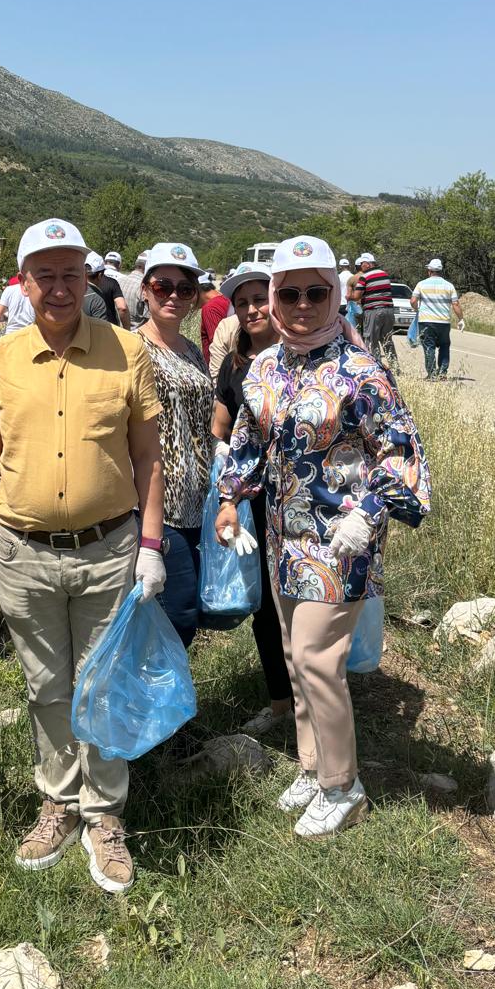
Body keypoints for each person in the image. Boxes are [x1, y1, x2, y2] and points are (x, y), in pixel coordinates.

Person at [0, 218, 165, 893]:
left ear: (87, 278)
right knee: (47, 688)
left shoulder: (127, 351)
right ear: (23, 282)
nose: (58, 287)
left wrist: (152, 544)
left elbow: (147, 457)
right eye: (44, 275)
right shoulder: (0, 359)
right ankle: (59, 801)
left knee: (104, 685)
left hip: (109, 549)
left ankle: (105, 815)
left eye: (69, 274)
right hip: (25, 552)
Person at [215, 236, 430, 839]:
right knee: (293, 652)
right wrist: (230, 501)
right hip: (283, 537)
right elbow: (247, 444)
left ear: (336, 296)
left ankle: (344, 785)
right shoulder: (263, 368)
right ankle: (311, 767)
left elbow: (402, 451)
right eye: (290, 293)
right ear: (275, 299)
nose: (302, 303)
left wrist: (368, 513)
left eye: (316, 292)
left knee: (315, 656)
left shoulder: (361, 371)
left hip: (342, 540)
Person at [210, 266, 292, 736]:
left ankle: (318, 693)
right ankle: (281, 701)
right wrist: (225, 454)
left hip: (305, 503)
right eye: (242, 304)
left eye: (259, 299)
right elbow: (220, 425)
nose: (252, 310)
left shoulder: (304, 354)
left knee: (304, 599)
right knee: (264, 601)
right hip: (253, 502)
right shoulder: (235, 365)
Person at [135, 243, 214, 647]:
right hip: (156, 503)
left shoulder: (190, 351)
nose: (174, 296)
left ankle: (167, 696)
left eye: (185, 289)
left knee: (187, 610)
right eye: (163, 285)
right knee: (176, 613)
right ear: (145, 289)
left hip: (197, 501)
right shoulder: (132, 349)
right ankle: (160, 701)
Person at [409, 258, 465, 379]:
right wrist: (461, 319)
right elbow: (455, 304)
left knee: (429, 346)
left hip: (426, 321)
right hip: (443, 322)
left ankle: (432, 374)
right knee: (444, 345)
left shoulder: (421, 284)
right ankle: (443, 373)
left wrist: (416, 309)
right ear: (440, 271)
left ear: (429, 271)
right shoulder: (449, 286)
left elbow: (413, 300)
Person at [351, 252, 397, 368]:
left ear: (367, 264)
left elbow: (357, 296)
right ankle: (395, 366)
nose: (361, 266)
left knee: (371, 339)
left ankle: (375, 366)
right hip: (388, 310)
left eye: (362, 263)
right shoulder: (385, 274)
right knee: (387, 339)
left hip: (373, 311)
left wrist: (349, 297)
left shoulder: (364, 277)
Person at [87, 251, 130, 327]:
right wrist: (127, 330)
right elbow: (122, 307)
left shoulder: (77, 287)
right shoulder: (113, 282)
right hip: (108, 328)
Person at [199, 275, 232, 368]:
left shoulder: (210, 308)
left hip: (219, 368)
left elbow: (218, 345)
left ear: (198, 290)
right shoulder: (226, 299)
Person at [116, 251, 148, 327]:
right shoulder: (144, 287)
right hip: (136, 333)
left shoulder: (119, 281)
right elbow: (148, 318)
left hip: (117, 330)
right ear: (147, 267)